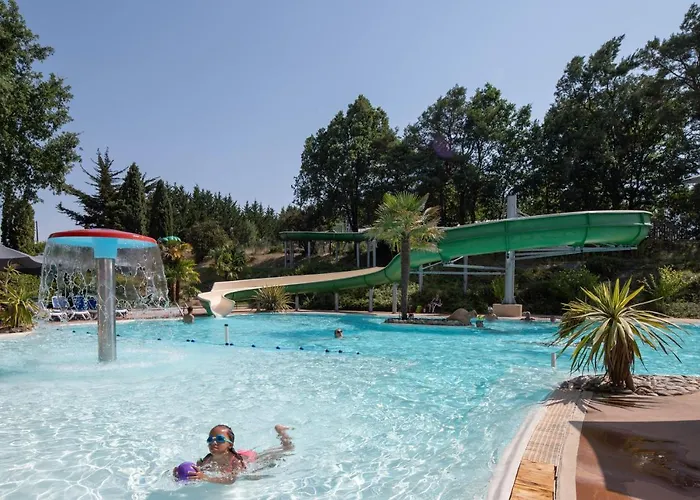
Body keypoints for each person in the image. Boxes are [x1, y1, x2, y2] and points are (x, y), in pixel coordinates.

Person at [176, 424, 293, 484]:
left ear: (230, 444)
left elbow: (231, 480)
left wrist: (206, 478)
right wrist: (177, 475)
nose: (214, 442)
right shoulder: (207, 460)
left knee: (286, 449)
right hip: (239, 454)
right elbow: (195, 473)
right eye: (210, 440)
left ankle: (282, 433)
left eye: (220, 439)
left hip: (250, 459)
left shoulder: (235, 462)